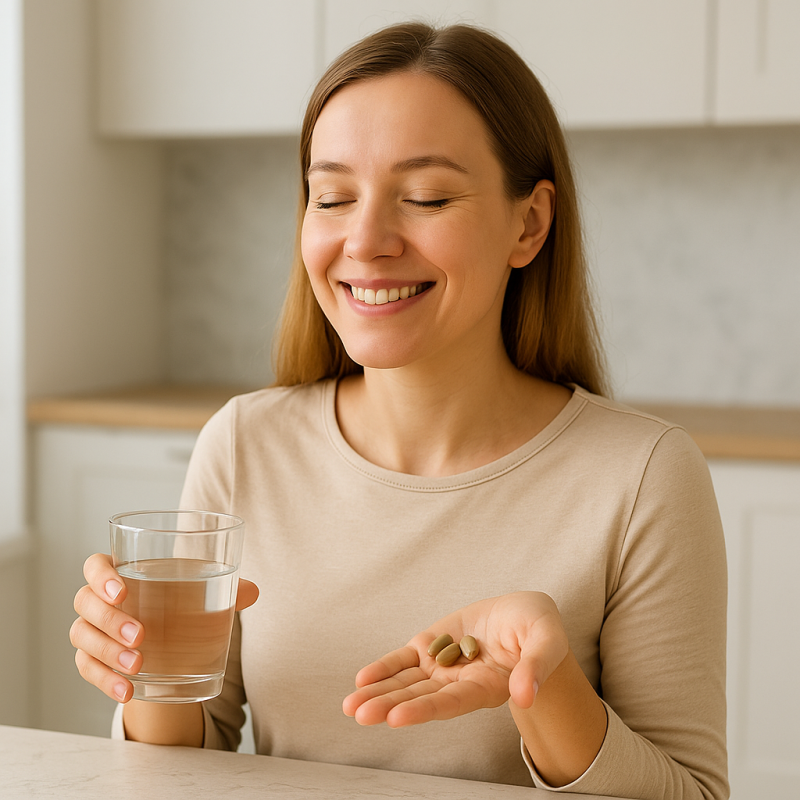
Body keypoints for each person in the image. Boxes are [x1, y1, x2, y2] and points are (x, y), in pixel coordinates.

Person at [69, 22, 728, 799]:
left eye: (425, 197)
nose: (367, 239)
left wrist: (541, 692)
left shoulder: (641, 477)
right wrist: (146, 673)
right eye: (333, 197)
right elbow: (183, 761)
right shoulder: (245, 444)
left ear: (530, 224)